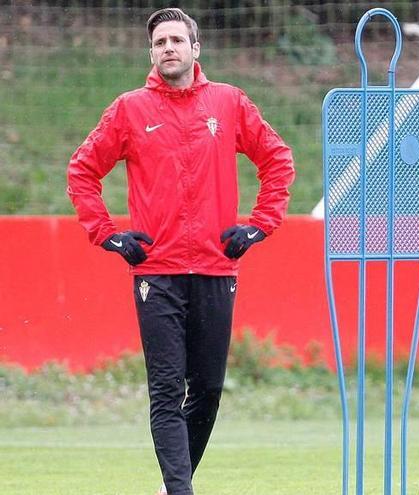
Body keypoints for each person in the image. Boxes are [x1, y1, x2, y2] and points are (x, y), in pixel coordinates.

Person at [67, 8, 295, 495]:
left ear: (196, 48)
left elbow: (277, 159)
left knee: (208, 391)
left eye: (176, 39)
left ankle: (171, 486)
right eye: (158, 42)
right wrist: (108, 234)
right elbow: (82, 171)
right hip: (157, 273)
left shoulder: (230, 102)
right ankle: (180, 490)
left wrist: (259, 226)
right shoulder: (129, 109)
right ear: (151, 53)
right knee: (167, 391)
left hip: (216, 267)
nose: (167, 48)